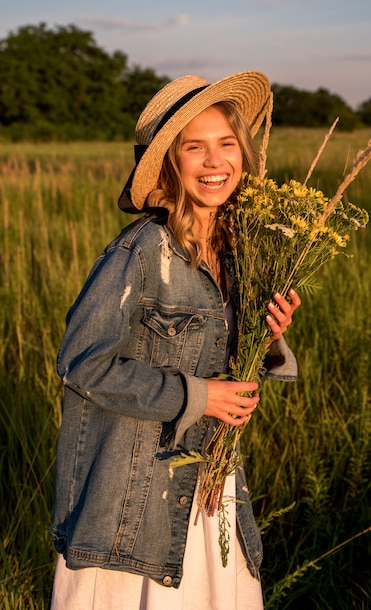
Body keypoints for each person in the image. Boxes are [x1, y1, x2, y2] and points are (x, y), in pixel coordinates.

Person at [50, 71, 301, 609]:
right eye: (195, 147)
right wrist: (197, 395)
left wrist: (269, 335)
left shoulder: (241, 252)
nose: (215, 162)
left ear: (244, 152)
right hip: (133, 503)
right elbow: (81, 364)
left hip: (209, 488)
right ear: (169, 163)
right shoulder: (139, 252)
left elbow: (230, 370)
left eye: (226, 144)